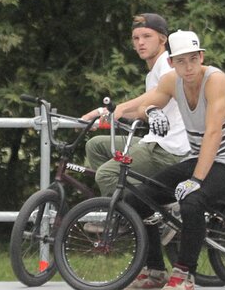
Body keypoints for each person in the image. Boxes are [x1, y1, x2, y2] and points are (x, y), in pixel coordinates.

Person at [120, 30, 225, 290]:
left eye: (193, 59)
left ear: (201, 57)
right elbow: (145, 104)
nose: (188, 67)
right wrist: (141, 111)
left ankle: (184, 274)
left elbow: (214, 133)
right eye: (181, 61)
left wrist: (196, 180)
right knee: (139, 197)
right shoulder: (171, 81)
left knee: (192, 200)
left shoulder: (216, 81)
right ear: (172, 63)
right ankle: (155, 271)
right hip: (198, 158)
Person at [81, 13, 190, 196]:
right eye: (136, 38)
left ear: (162, 39)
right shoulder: (153, 73)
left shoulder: (167, 64)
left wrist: (121, 108)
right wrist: (104, 114)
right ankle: (138, 201)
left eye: (147, 36)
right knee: (95, 146)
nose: (140, 42)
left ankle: (129, 216)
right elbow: (143, 109)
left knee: (106, 175)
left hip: (169, 149)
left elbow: (159, 92)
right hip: (155, 142)